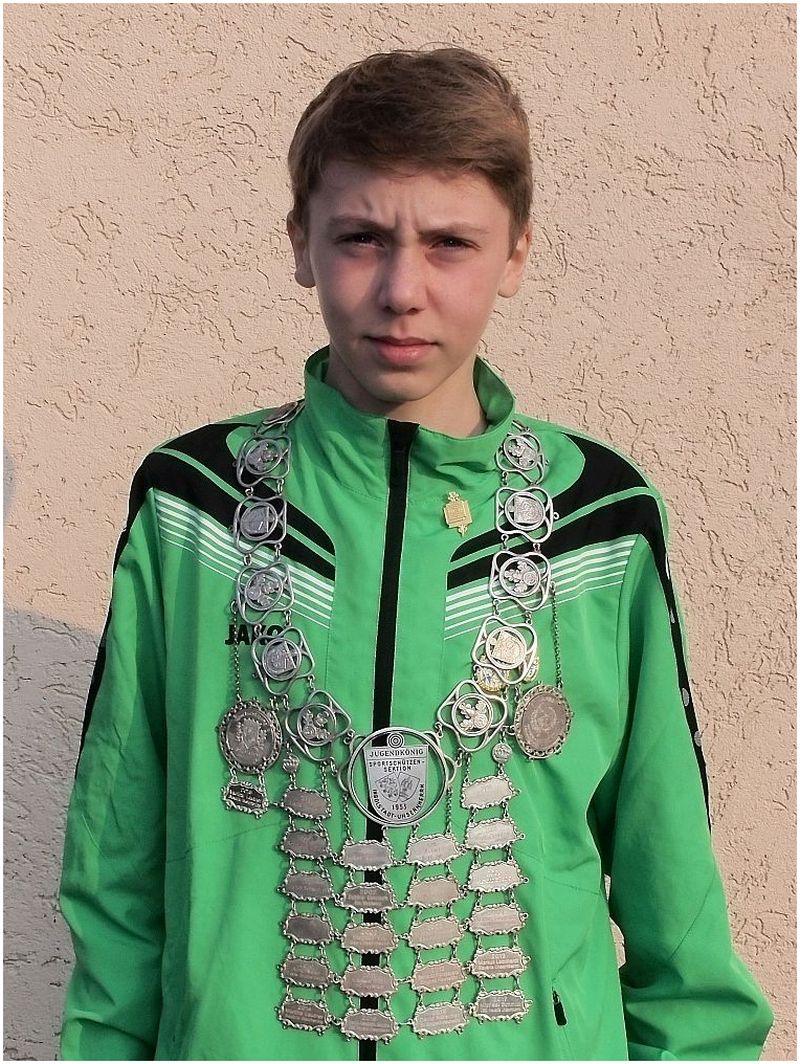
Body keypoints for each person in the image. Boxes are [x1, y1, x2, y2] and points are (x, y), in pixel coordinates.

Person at [58, 47, 774, 1061]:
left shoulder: (599, 523)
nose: (402, 289)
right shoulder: (193, 511)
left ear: (515, 254)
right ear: (301, 244)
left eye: (449, 243)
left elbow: (678, 908)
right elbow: (115, 869)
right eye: (360, 237)